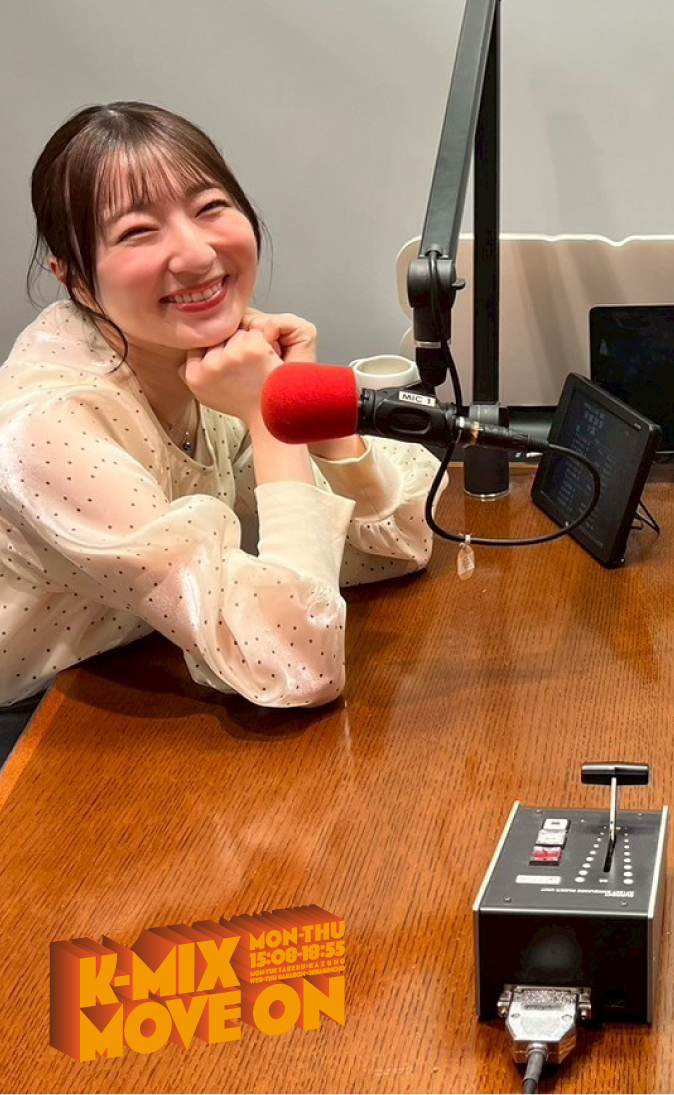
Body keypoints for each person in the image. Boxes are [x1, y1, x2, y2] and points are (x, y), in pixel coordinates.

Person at [0, 103, 437, 759]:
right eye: (138, 231)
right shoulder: (47, 428)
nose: (197, 253)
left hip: (143, 670)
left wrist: (307, 408)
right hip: (38, 730)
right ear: (73, 277)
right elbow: (298, 663)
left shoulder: (203, 356)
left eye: (210, 208)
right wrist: (270, 414)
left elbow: (398, 544)